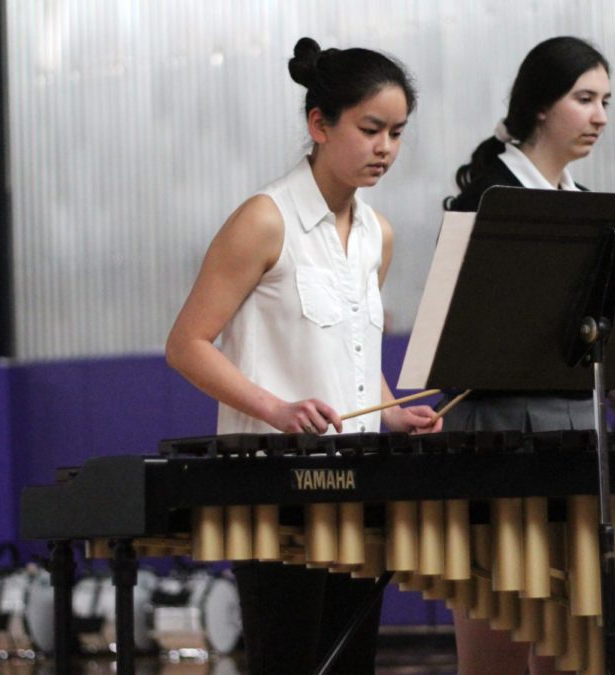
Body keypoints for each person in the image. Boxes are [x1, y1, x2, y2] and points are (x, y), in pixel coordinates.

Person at [166, 36, 439, 674]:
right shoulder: (264, 220)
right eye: (371, 129)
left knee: (352, 664)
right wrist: (276, 408)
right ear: (319, 124)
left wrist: (391, 409)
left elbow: (351, 350)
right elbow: (186, 345)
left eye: (397, 133)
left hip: (359, 478)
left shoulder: (379, 235)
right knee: (287, 661)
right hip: (276, 482)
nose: (386, 149)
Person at [443, 36, 615, 675]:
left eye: (606, 101)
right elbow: (486, 340)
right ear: (541, 107)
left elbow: (577, 342)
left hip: (576, 439)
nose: (601, 116)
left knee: (571, 655)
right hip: (495, 441)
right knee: (499, 655)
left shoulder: (587, 205)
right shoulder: (487, 199)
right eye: (585, 99)